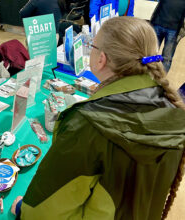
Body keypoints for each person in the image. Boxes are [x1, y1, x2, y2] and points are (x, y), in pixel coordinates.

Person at [11, 16, 185, 220]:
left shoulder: (88, 124)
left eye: (91, 45)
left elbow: (42, 212)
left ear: (101, 59)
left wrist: (23, 208)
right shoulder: (175, 111)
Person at [150, 0, 185, 72]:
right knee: (150, 54)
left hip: (174, 29)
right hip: (158, 23)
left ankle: (161, 83)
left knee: (167, 58)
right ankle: (145, 79)